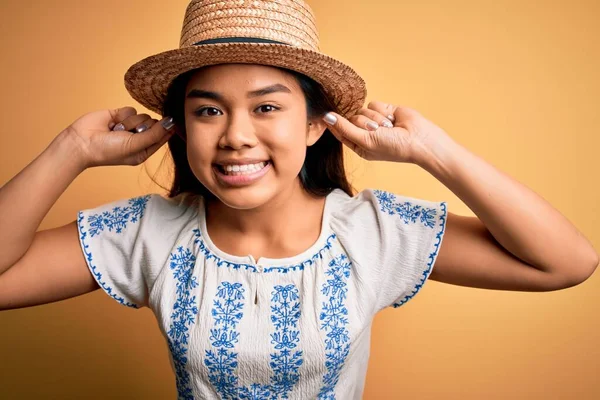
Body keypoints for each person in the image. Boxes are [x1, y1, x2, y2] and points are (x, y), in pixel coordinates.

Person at [0, 0, 597, 399]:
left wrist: (434, 152)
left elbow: (566, 262)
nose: (234, 135)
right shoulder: (147, 233)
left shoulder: (374, 232)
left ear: (316, 124)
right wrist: (71, 149)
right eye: (208, 109)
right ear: (177, 125)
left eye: (266, 107)